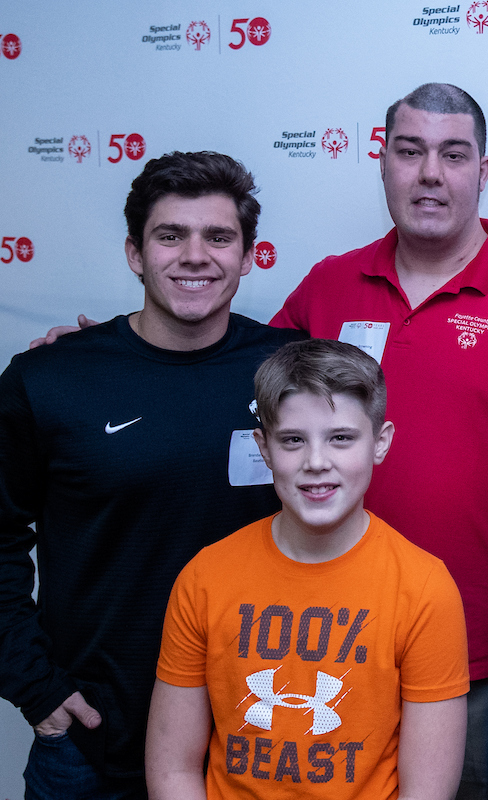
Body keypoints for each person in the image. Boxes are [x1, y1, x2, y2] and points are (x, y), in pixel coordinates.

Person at [269, 83, 488, 799]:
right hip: (330, 647)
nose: (429, 174)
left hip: (480, 663)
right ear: (381, 162)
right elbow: (236, 395)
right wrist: (126, 352)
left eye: (453, 155)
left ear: (482, 171)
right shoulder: (327, 286)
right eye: (409, 151)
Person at [0, 151, 306, 798]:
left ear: (249, 255)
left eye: (218, 237)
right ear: (135, 253)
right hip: (91, 746)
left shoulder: (290, 374)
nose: (195, 255)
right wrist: (32, 684)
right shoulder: (51, 379)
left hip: (255, 735)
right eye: (170, 235)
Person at [146, 338, 470, 800]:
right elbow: (172, 769)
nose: (317, 463)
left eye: (341, 438)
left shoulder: (424, 589)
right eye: (293, 440)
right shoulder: (205, 577)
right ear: (263, 447)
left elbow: (427, 791)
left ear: (380, 443)